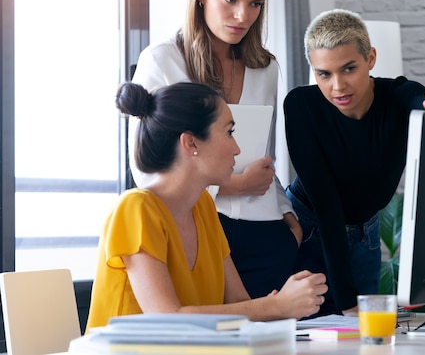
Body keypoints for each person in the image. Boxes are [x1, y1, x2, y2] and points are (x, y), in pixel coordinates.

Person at [128, 0, 301, 298]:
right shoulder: (162, 61)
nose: (243, 16)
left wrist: (286, 214)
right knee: (204, 342)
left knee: (273, 343)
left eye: (256, 4)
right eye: (231, 0)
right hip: (195, 225)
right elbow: (145, 169)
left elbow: (261, 156)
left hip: (264, 229)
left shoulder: (265, 68)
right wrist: (230, 186)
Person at [87, 82, 327, 331]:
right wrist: (277, 306)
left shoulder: (203, 206)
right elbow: (165, 318)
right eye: (229, 132)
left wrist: (289, 303)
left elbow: (239, 303)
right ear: (191, 143)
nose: (237, 149)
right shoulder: (135, 208)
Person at [283, 9, 425, 317]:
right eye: (324, 74)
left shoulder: (400, 95)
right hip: (309, 227)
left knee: (361, 342)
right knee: (311, 336)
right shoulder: (301, 106)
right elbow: (326, 204)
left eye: (349, 69)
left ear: (371, 58)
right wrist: (349, 302)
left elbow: (419, 105)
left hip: (365, 231)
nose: (337, 86)